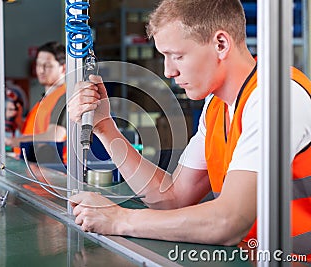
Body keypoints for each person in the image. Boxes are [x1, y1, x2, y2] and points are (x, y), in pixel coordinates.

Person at [68, 0, 311, 259]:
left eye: (177, 56)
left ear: (221, 44)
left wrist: (119, 219)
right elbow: (172, 197)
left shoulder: (276, 95)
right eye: (164, 56)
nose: (168, 71)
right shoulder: (217, 104)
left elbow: (229, 221)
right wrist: (105, 127)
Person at [0, 41, 67, 152]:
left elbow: (55, 136)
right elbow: (33, 133)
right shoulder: (46, 99)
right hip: (33, 163)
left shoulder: (65, 96)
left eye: (47, 66)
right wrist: (19, 121)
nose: (41, 70)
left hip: (53, 166)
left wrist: (9, 141)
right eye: (39, 65)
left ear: (63, 68)